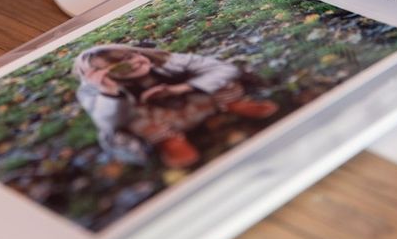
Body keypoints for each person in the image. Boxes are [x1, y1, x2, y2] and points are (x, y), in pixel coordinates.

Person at [74, 42, 279, 170]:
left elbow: (223, 69)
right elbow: (110, 123)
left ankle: (235, 104)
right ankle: (171, 142)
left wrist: (180, 88)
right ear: (107, 75)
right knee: (134, 120)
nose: (135, 63)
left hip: (198, 102)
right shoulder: (94, 91)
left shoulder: (165, 60)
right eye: (123, 66)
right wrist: (109, 92)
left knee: (219, 80)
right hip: (161, 123)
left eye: (131, 56)